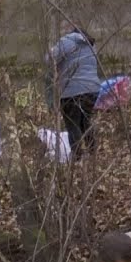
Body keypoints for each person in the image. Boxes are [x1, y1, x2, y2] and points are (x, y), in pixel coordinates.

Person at [45, 26, 101, 161]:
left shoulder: (66, 41)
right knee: (85, 121)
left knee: (72, 123)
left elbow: (49, 59)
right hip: (92, 89)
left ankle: (77, 156)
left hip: (72, 90)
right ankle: (93, 151)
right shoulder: (90, 45)